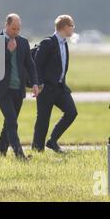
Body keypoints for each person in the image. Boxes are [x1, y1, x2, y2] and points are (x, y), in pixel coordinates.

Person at [0, 13, 40, 161]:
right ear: (6, 25)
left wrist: (34, 83)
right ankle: (20, 155)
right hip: (3, 89)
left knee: (8, 122)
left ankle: (1, 153)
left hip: (18, 89)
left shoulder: (23, 42)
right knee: (12, 121)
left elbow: (30, 65)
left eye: (18, 29)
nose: (16, 32)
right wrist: (8, 51)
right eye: (13, 28)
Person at [32, 15, 78, 153]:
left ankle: (52, 141)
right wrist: (38, 83)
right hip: (46, 88)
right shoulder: (48, 43)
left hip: (60, 87)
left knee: (71, 112)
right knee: (43, 120)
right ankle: (37, 149)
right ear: (64, 27)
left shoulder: (64, 43)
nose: (73, 28)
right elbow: (36, 64)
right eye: (72, 26)